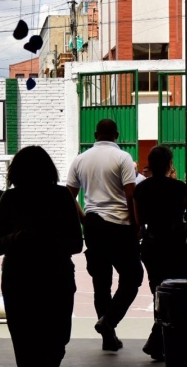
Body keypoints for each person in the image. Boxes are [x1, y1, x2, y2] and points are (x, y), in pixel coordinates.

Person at [0, 146, 82, 367]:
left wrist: (38, 240)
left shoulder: (54, 198)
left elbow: (75, 242)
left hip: (28, 279)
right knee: (44, 345)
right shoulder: (18, 199)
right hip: (43, 279)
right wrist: (21, 237)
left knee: (42, 347)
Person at [66, 119, 144, 351]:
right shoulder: (123, 158)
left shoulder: (80, 159)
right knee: (133, 277)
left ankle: (108, 338)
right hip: (120, 226)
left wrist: (84, 218)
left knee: (101, 283)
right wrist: (135, 223)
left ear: (95, 134)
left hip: (94, 226)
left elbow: (68, 196)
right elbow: (131, 194)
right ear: (117, 135)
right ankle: (109, 321)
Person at [134, 145, 187, 360]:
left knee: (158, 290)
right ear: (169, 164)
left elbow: (139, 221)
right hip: (175, 243)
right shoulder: (180, 188)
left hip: (152, 244)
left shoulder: (141, 189)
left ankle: (158, 339)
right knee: (175, 292)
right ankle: (162, 339)